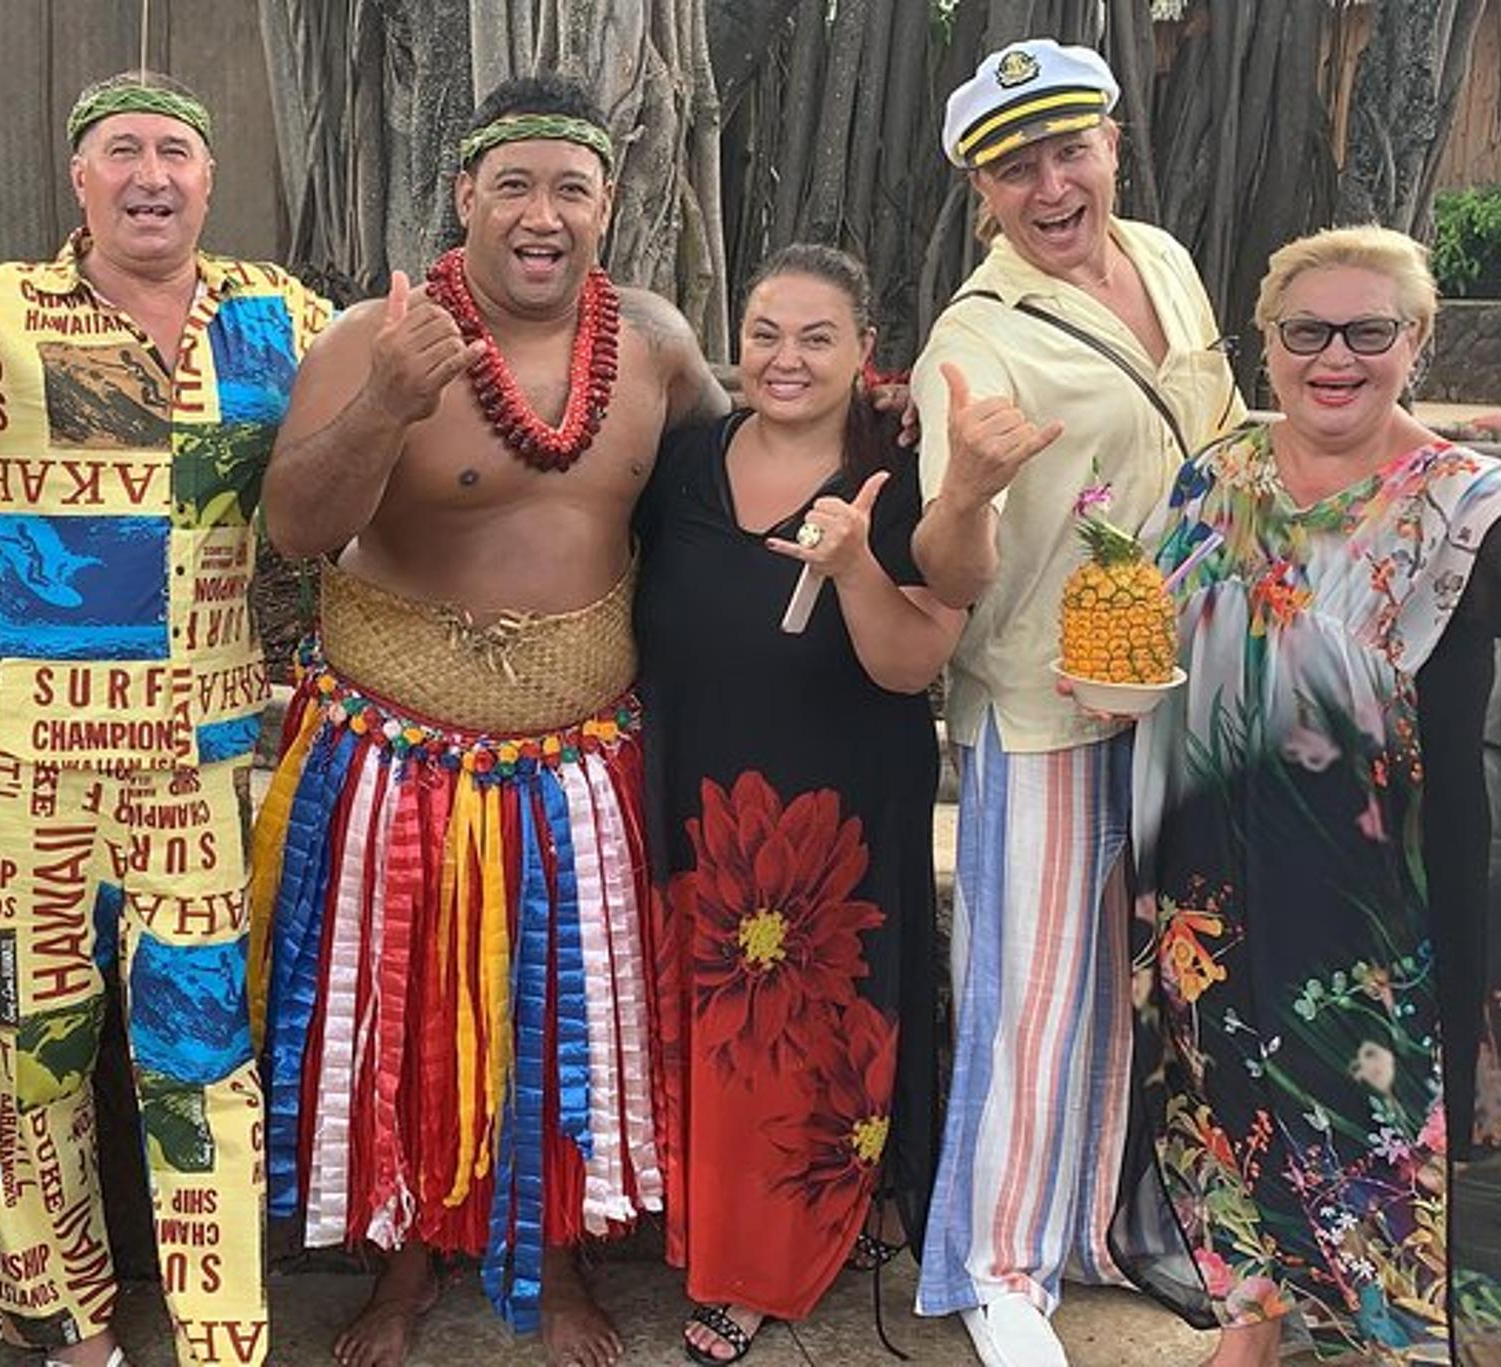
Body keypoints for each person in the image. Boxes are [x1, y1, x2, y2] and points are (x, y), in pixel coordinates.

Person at [0, 72, 334, 1367]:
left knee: (201, 1047)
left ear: (209, 179)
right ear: (77, 180)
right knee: (27, 1044)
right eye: (121, 149)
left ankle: (219, 1330)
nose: (151, 171)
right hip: (30, 759)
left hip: (194, 762)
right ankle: (62, 1317)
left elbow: (367, 439)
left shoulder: (280, 314)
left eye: (175, 150)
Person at [251, 72, 729, 1367]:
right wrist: (389, 402)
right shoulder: (373, 337)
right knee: (403, 1019)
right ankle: (403, 1268)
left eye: (570, 187)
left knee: (563, 1018)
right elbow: (294, 525)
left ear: (607, 207)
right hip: (396, 751)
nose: (541, 212)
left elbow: (729, 508)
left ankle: (559, 1258)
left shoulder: (661, 347)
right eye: (513, 183)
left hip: (584, 757)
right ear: (465, 196)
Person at [1113, 225, 1501, 1366]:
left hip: (1386, 896)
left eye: (1368, 331)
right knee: (1219, 1093)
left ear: (1415, 341)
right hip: (1215, 872)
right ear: (1267, 346)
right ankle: (1253, 1317)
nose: (1333, 357)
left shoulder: (1459, 498)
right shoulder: (1219, 476)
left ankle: (1386, 1332)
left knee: (1391, 1126)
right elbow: (1152, 629)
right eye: (1306, 331)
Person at [908, 37, 1243, 1366]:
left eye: (1069, 149)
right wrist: (969, 489)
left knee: (1157, 980)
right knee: (1033, 992)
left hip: (1190, 683)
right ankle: (998, 1265)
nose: (1051, 185)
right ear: (981, 190)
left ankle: (1109, 1223)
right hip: (1045, 700)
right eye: (1014, 166)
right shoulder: (974, 340)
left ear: (1111, 142)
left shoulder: (1163, 258)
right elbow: (947, 569)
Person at [635, 243, 961, 1364]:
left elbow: (910, 662)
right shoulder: (684, 459)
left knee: (797, 1035)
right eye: (766, 331)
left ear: (865, 352)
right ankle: (728, 1225)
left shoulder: (898, 471)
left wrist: (859, 559)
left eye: (817, 337)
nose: (785, 358)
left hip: (833, 800)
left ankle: (755, 1266)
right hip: (695, 782)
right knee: (715, 1027)